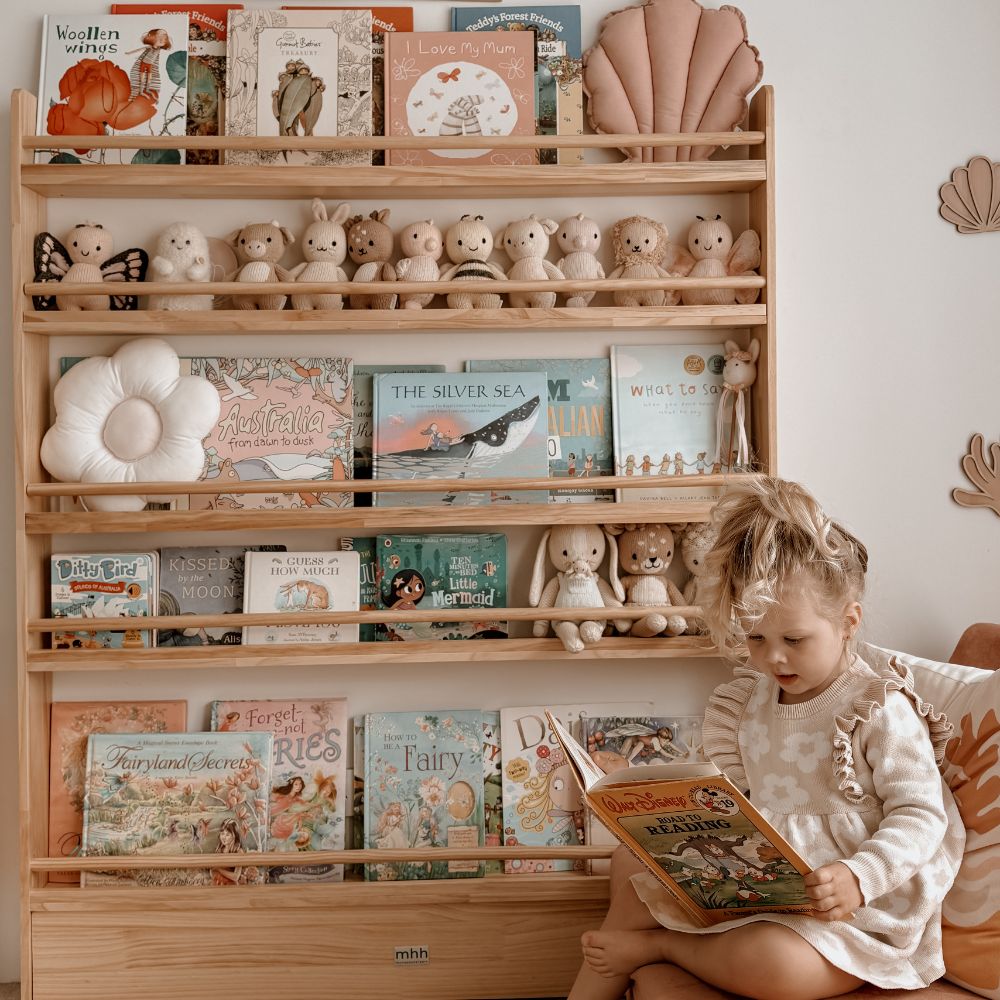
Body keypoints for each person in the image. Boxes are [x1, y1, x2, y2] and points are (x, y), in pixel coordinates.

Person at [568, 475, 965, 1000]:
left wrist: (859, 875)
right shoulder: (747, 704)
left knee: (774, 962)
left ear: (849, 622)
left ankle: (662, 949)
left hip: (849, 916)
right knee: (628, 865)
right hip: (761, 890)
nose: (773, 657)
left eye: (794, 640)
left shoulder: (876, 707)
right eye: (755, 638)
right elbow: (727, 803)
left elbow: (922, 814)